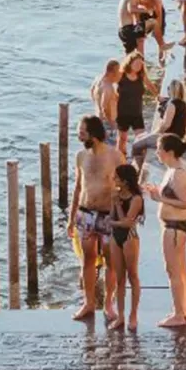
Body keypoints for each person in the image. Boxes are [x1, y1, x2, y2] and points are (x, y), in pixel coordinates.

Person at [68, 116, 122, 321]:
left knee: (111, 262)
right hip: (86, 213)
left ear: (94, 133)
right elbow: (77, 187)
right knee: (87, 260)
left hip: (108, 215)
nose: (79, 136)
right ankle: (88, 303)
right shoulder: (81, 156)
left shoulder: (115, 156)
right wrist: (72, 218)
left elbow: (123, 187)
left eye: (82, 132)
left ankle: (109, 304)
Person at [145, 135, 186, 328]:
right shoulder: (172, 171)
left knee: (173, 270)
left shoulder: (178, 173)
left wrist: (160, 199)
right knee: (181, 270)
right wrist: (156, 191)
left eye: (159, 149)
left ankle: (178, 314)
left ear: (170, 152)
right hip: (173, 226)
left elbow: (185, 203)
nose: (157, 152)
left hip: (175, 227)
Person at [108, 163, 145, 331]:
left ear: (124, 181)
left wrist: (114, 219)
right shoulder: (115, 195)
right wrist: (115, 205)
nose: (113, 179)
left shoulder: (136, 199)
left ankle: (133, 315)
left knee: (133, 275)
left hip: (130, 237)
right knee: (119, 277)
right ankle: (121, 315)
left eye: (116, 177)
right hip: (116, 237)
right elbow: (114, 217)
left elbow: (127, 222)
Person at [129, 78, 186, 169]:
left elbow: (166, 125)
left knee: (136, 145)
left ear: (171, 90)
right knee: (139, 136)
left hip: (167, 137)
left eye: (168, 88)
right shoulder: (184, 104)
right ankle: (139, 164)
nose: (167, 90)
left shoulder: (172, 105)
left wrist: (156, 134)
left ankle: (136, 168)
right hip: (178, 137)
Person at [114, 52, 151, 157]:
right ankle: (120, 160)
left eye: (140, 64)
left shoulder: (141, 76)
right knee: (122, 139)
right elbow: (112, 87)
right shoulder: (121, 75)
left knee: (141, 139)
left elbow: (150, 86)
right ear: (130, 63)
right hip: (122, 113)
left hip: (137, 113)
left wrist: (158, 96)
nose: (138, 66)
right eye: (136, 63)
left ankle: (139, 160)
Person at [91, 59, 121, 139]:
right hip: (107, 124)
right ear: (112, 73)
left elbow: (91, 91)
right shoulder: (108, 87)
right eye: (118, 72)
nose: (120, 75)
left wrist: (97, 105)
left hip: (98, 119)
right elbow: (104, 107)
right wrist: (112, 124)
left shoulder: (98, 80)